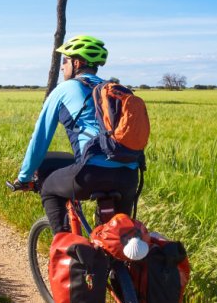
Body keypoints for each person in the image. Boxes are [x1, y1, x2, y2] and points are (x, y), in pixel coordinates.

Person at [14, 35, 140, 234]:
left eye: (65, 61)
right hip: (129, 176)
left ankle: (68, 250)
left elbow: (40, 140)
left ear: (77, 62)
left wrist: (24, 178)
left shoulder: (64, 89)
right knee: (118, 239)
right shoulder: (117, 91)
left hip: (90, 175)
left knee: (48, 188)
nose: (63, 66)